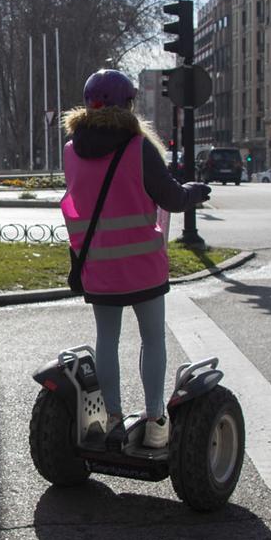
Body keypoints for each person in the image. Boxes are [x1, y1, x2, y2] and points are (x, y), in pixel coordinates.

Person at [61, 70, 211, 449]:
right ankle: (155, 418)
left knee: (106, 340)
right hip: (142, 267)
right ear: (128, 104)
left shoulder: (70, 150)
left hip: (97, 265)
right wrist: (193, 193)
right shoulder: (137, 146)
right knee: (153, 338)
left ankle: (112, 418)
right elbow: (171, 198)